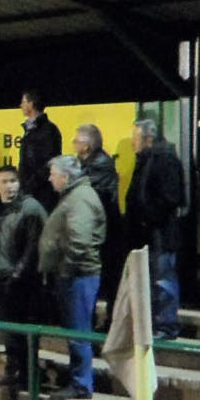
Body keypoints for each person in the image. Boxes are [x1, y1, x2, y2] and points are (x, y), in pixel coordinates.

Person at [0, 165, 47, 390]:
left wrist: (19, 272)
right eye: (4, 181)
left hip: (22, 281)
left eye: (13, 181)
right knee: (8, 330)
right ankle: (14, 370)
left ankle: (29, 375)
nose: (9, 186)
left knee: (24, 329)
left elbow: (35, 245)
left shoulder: (30, 208)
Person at [39, 156, 106, 398]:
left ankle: (81, 384)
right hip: (74, 274)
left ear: (66, 177)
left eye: (53, 174)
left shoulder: (80, 199)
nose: (50, 179)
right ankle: (79, 381)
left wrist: (66, 269)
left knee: (78, 331)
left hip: (78, 275)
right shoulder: (75, 196)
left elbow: (79, 241)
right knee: (76, 330)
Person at [125, 116, 187, 339]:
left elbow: (171, 198)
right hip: (148, 234)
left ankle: (166, 325)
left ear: (148, 138)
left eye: (135, 138)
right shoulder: (147, 159)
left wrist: (148, 217)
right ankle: (156, 323)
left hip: (160, 234)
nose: (133, 143)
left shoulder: (164, 160)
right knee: (153, 281)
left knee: (163, 280)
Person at [71, 123, 125, 303]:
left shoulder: (98, 166)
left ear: (87, 146)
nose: (74, 144)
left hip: (104, 232)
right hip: (99, 230)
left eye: (76, 141)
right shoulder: (88, 163)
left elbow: (84, 193)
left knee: (106, 276)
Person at [17, 89, 62, 210]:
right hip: (30, 194)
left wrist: (29, 185)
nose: (21, 105)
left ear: (31, 104)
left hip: (42, 195)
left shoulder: (48, 130)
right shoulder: (31, 130)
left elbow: (49, 163)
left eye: (23, 102)